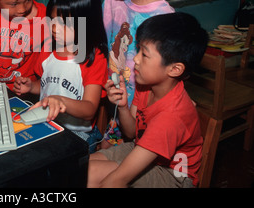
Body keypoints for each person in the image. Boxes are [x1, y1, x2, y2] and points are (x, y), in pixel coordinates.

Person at [87, 12, 208, 188]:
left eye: (144, 54)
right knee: (81, 166)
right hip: (142, 147)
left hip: (173, 175)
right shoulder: (147, 84)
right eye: (139, 50)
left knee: (91, 176)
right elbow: (132, 133)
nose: (135, 59)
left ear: (175, 69)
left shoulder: (171, 117)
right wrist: (122, 107)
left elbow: (115, 181)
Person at [100, 0, 175, 147]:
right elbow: (107, 45)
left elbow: (164, 81)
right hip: (116, 106)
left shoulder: (164, 17)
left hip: (142, 117)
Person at [13, 0, 108, 153]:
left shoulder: (94, 60)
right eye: (52, 20)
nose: (55, 28)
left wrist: (61, 101)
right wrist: (31, 86)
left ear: (85, 24)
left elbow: (89, 109)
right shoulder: (48, 49)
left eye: (64, 24)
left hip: (78, 134)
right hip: (49, 124)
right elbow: (47, 84)